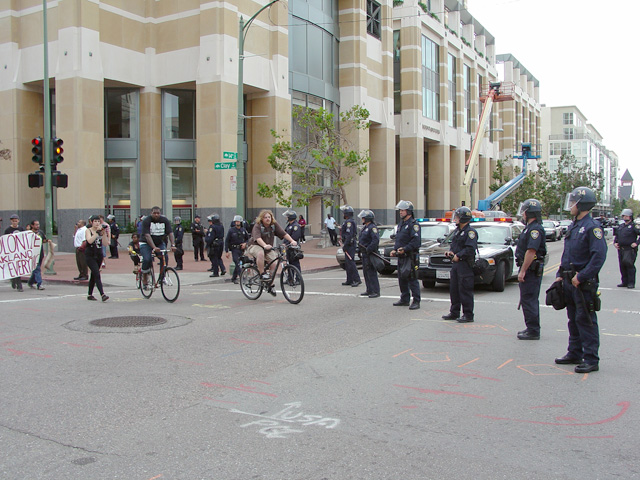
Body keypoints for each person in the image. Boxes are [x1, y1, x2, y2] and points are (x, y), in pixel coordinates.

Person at [553, 186, 607, 374]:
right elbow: (568, 253)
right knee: (573, 319)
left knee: (585, 320)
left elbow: (598, 257)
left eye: (573, 202)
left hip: (582, 282)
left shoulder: (593, 228)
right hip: (569, 280)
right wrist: (560, 273)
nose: (571, 206)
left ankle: (591, 358)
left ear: (581, 204)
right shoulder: (574, 226)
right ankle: (574, 352)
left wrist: (581, 276)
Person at [514, 199, 547, 340]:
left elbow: (531, 251)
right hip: (528, 268)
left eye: (524, 211)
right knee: (526, 299)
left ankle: (533, 330)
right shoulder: (529, 227)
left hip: (531, 270)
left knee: (529, 299)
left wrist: (523, 271)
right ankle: (530, 327)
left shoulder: (535, 229)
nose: (523, 214)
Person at [246, 209, 298, 297]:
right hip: (255, 245)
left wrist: (292, 241)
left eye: (269, 217)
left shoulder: (274, 225)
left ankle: (270, 284)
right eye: (265, 217)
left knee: (275, 261)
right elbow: (257, 238)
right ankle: (262, 274)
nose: (267, 219)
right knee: (260, 253)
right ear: (261, 219)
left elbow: (283, 233)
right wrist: (265, 245)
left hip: (268, 247)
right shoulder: (258, 226)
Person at [441, 206, 477, 321]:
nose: (455, 219)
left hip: (465, 265)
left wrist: (459, 256)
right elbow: (455, 246)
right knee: (454, 289)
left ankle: (468, 314)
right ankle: (454, 312)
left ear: (462, 218)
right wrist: (451, 253)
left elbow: (470, 249)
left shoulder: (470, 232)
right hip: (456, 265)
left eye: (457, 217)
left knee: (465, 290)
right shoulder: (457, 231)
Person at [391, 200, 421, 310]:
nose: (400, 212)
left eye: (403, 210)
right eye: (400, 210)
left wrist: (405, 249)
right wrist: (395, 250)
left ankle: (416, 300)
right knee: (402, 278)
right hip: (401, 256)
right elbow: (399, 240)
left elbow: (416, 242)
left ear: (408, 211)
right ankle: (404, 298)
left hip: (410, 256)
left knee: (412, 278)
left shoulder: (414, 225)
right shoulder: (401, 224)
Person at [140, 206, 177, 288]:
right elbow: (147, 235)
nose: (156, 215)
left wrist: (173, 244)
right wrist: (153, 247)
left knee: (165, 257)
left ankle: (162, 277)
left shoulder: (164, 220)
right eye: (154, 213)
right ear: (151, 213)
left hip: (159, 242)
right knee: (147, 259)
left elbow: (170, 233)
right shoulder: (147, 221)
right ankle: (145, 277)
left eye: (158, 213)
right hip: (146, 243)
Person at [84, 215, 109, 301]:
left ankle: (89, 294)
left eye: (98, 221)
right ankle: (102, 294)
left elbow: (105, 243)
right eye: (95, 221)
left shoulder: (101, 231)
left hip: (98, 254)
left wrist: (104, 233)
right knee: (97, 273)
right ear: (91, 222)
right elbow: (89, 241)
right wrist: (96, 233)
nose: (97, 223)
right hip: (90, 254)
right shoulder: (88, 230)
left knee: (94, 275)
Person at [613, 208, 639, 288]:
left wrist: (637, 243)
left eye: (626, 216)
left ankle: (631, 282)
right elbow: (617, 236)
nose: (624, 217)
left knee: (629, 265)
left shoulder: (634, 226)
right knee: (622, 265)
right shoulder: (621, 226)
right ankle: (624, 281)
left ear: (630, 216)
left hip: (629, 249)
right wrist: (615, 243)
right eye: (623, 216)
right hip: (621, 248)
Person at [357, 209, 380, 298]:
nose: (362, 219)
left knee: (371, 272)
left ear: (367, 218)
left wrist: (369, 249)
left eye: (363, 218)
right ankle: (369, 289)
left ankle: (375, 291)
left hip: (370, 253)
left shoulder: (372, 227)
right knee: (366, 272)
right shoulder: (365, 227)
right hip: (364, 253)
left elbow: (375, 240)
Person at [340, 205, 361, 287]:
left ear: (347, 214)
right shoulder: (347, 222)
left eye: (344, 213)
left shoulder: (349, 222)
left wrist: (345, 245)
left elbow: (349, 235)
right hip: (347, 244)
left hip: (350, 244)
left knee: (351, 262)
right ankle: (349, 279)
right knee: (347, 263)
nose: (343, 214)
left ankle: (357, 279)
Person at [27, 220, 51, 290]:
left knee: (36, 269)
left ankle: (30, 282)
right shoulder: (29, 233)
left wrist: (47, 241)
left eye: (38, 224)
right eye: (36, 225)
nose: (38, 226)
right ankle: (39, 283)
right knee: (37, 269)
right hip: (32, 253)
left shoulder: (40, 232)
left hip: (40, 253)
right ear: (32, 225)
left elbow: (43, 240)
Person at [225, 215, 250, 284]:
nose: (237, 223)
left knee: (238, 264)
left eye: (238, 221)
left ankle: (234, 278)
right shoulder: (231, 230)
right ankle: (242, 278)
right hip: (234, 249)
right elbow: (227, 241)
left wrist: (245, 243)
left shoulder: (243, 230)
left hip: (241, 249)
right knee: (237, 263)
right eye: (236, 221)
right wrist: (227, 251)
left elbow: (248, 239)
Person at [4, 214, 24, 292]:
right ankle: (13, 280)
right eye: (13, 221)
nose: (15, 222)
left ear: (18, 221)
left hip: (19, 251)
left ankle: (19, 285)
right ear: (11, 221)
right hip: (11, 251)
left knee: (18, 268)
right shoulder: (8, 230)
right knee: (13, 267)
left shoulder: (21, 229)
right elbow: (4, 240)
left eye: (16, 221)